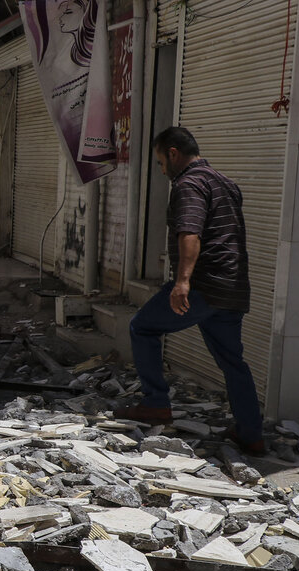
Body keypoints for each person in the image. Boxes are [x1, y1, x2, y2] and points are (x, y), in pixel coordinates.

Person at [113, 127, 265, 455]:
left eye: (160, 163)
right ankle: (251, 434)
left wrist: (182, 282)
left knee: (143, 327)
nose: (162, 171)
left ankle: (155, 403)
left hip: (204, 285)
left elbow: (190, 233)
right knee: (232, 361)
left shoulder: (189, 184)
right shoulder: (225, 182)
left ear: (172, 153)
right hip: (232, 287)